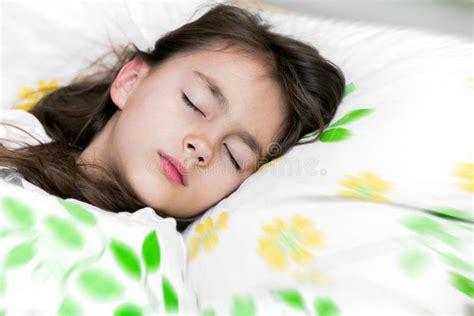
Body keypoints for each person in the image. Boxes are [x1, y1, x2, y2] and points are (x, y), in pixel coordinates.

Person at [0, 3, 345, 232]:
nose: (203, 146)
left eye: (233, 156)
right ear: (130, 81)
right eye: (195, 104)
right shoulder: (13, 136)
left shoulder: (151, 263)